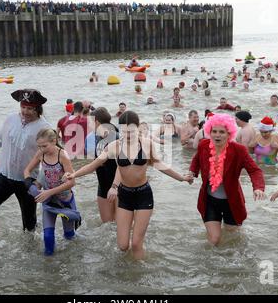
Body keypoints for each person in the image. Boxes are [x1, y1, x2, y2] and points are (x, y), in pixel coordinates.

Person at [65, 111, 193, 259]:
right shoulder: (115, 146)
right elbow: (93, 165)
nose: (127, 135)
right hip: (124, 195)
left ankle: (139, 275)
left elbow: (161, 165)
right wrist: (73, 174)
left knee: (137, 244)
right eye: (124, 131)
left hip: (143, 195)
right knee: (123, 245)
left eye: (131, 131)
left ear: (137, 128)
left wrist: (182, 178)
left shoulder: (147, 144)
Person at [0, 89, 51, 262]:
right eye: (23, 106)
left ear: (38, 108)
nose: (25, 111)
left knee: (29, 224)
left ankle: (30, 253)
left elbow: (50, 158)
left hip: (27, 181)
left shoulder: (45, 129)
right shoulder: (10, 120)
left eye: (30, 108)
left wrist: (40, 182)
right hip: (4, 176)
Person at [189, 114, 265, 246]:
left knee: (232, 239)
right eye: (214, 131)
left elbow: (254, 170)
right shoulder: (204, 145)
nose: (217, 135)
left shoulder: (238, 150)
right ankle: (210, 264)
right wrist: (192, 172)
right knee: (214, 240)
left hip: (232, 201)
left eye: (221, 132)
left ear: (229, 133)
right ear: (209, 131)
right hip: (209, 200)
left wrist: (258, 187)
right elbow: (196, 159)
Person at [23, 129, 79, 256]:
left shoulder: (63, 156)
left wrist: (48, 192)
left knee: (69, 237)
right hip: (49, 202)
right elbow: (27, 170)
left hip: (65, 201)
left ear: (54, 141)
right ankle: (49, 268)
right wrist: (30, 186)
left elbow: (71, 183)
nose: (42, 149)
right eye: (39, 146)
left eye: (44, 146)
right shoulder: (40, 154)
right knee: (48, 239)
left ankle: (70, 260)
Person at [89, 107, 119, 222]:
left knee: (120, 224)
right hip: (102, 185)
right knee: (106, 224)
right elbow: (97, 162)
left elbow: (124, 166)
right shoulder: (97, 136)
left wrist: (115, 187)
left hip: (117, 187)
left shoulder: (116, 137)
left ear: (96, 122)